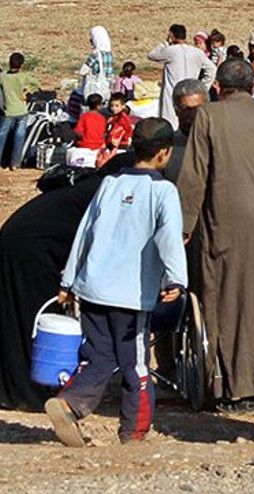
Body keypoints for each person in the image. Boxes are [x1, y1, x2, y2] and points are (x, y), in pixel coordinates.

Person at [45, 117, 186, 447]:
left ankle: (69, 404)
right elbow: (169, 239)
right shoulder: (163, 191)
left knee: (99, 357)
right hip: (130, 296)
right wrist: (176, 279)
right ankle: (134, 432)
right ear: (164, 154)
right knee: (135, 364)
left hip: (92, 288)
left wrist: (68, 280)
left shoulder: (109, 184)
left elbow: (84, 232)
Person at [177, 59, 254, 413]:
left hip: (236, 221)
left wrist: (184, 227)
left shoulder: (208, 116)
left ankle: (246, 389)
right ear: (253, 86)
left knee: (235, 302)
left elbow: (193, 179)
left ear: (218, 88)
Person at [0, 152, 136, 412]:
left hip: (22, 237)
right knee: (34, 318)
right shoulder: (106, 193)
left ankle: (14, 388)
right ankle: (30, 393)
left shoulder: (91, 187)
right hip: (33, 248)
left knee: (16, 316)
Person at [147, 24, 216, 130]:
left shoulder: (171, 51)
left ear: (172, 35)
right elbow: (212, 69)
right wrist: (203, 87)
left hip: (173, 95)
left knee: (172, 125)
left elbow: (152, 55)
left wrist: (166, 42)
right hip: (192, 94)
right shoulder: (196, 52)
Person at [164, 79, 209, 182]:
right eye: (186, 109)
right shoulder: (166, 148)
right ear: (176, 110)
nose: (192, 115)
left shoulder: (220, 144)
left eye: (198, 109)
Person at [0, 52, 39, 169]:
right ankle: (15, 163)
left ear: (9, 63)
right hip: (22, 110)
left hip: (8, 111)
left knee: (2, 135)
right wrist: (26, 91)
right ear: (21, 65)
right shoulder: (24, 76)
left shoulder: (3, 77)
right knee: (19, 136)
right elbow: (36, 84)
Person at [79, 26, 114, 90]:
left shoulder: (96, 54)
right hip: (107, 87)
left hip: (96, 87)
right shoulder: (109, 54)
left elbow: (83, 71)